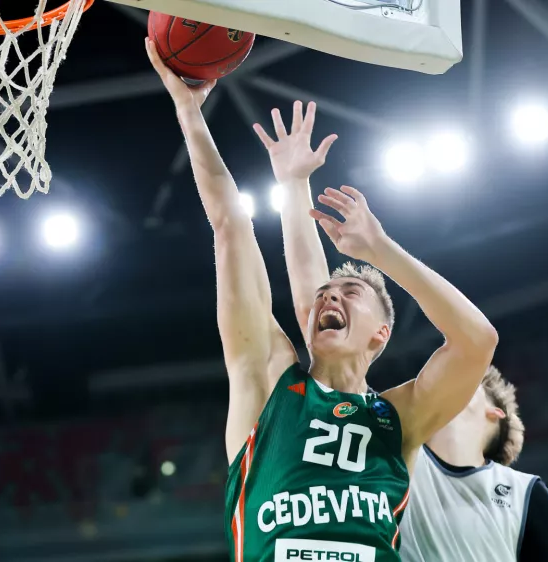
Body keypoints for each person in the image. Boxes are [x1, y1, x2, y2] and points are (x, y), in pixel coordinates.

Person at [147, 38, 498, 562]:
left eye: (350, 293)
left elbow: (477, 341)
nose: (330, 296)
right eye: (326, 296)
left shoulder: (398, 419)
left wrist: (380, 250)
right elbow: (229, 223)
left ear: (381, 334)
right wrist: (189, 112)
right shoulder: (267, 381)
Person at [257, 101, 548, 562]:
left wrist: (378, 247)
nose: (444, 378)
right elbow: (316, 308)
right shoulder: (386, 437)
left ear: (496, 415)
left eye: (471, 386)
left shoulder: (524, 494)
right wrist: (294, 189)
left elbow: (476, 344)